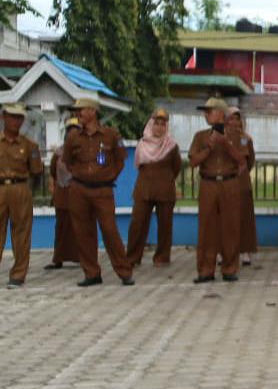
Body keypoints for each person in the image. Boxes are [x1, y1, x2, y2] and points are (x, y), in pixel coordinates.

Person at [63, 97, 134, 287]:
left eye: (82, 110)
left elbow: (120, 160)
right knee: (83, 233)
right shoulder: (73, 137)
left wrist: (109, 176)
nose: (78, 113)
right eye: (77, 110)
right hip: (79, 190)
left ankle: (124, 271)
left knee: (110, 230)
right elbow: (67, 161)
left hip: (103, 191)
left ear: (93, 112)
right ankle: (92, 273)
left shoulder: (111, 135)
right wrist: (80, 176)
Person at [189, 96, 245, 283]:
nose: (206, 114)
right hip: (208, 183)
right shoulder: (200, 136)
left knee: (230, 227)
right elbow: (193, 161)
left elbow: (242, 161)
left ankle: (230, 268)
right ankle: (205, 270)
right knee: (206, 228)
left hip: (229, 183)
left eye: (209, 111)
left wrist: (226, 144)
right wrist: (209, 146)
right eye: (205, 112)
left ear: (221, 114)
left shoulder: (236, 135)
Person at [126, 108, 181, 267]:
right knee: (137, 223)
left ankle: (162, 257)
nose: (159, 128)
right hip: (143, 189)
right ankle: (132, 258)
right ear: (151, 125)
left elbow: (176, 167)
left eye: (162, 124)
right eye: (156, 124)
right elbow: (138, 164)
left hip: (165, 190)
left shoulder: (171, 146)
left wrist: (166, 179)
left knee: (165, 225)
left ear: (166, 127)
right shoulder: (142, 144)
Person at [0, 103, 43, 287]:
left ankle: (18, 275)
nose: (15, 121)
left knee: (21, 234)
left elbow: (37, 171)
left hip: (20, 188)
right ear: (3, 117)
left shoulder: (30, 145)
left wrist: (27, 192)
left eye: (19, 117)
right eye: (11, 116)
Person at [45, 117, 81, 270]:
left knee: (80, 227)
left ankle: (83, 258)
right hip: (62, 195)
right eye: (70, 131)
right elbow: (53, 171)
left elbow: (98, 164)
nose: (72, 134)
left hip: (80, 193)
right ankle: (58, 259)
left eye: (76, 131)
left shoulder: (85, 151)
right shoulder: (59, 152)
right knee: (61, 227)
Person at [227, 108, 258, 265]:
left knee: (244, 217)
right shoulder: (221, 138)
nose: (233, 122)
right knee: (225, 218)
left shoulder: (246, 139)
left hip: (242, 183)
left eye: (236, 119)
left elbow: (250, 161)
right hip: (225, 182)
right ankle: (223, 250)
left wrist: (242, 173)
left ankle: (245, 251)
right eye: (230, 118)